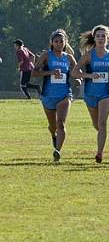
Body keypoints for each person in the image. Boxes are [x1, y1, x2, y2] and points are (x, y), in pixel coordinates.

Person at [71, 25, 109, 163]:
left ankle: (99, 153)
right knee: (96, 124)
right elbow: (74, 72)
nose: (101, 38)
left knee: (102, 123)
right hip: (90, 94)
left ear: (108, 38)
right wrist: (89, 75)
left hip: (106, 94)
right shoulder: (88, 56)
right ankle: (100, 134)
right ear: (94, 38)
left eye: (103, 36)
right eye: (98, 36)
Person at [32, 30, 77, 162]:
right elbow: (34, 73)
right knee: (53, 126)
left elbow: (76, 71)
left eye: (61, 41)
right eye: (56, 41)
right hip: (48, 95)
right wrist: (51, 72)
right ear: (52, 42)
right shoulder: (46, 56)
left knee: (61, 124)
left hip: (64, 94)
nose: (59, 44)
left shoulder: (69, 58)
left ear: (65, 43)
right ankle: (53, 135)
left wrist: (78, 79)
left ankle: (57, 151)